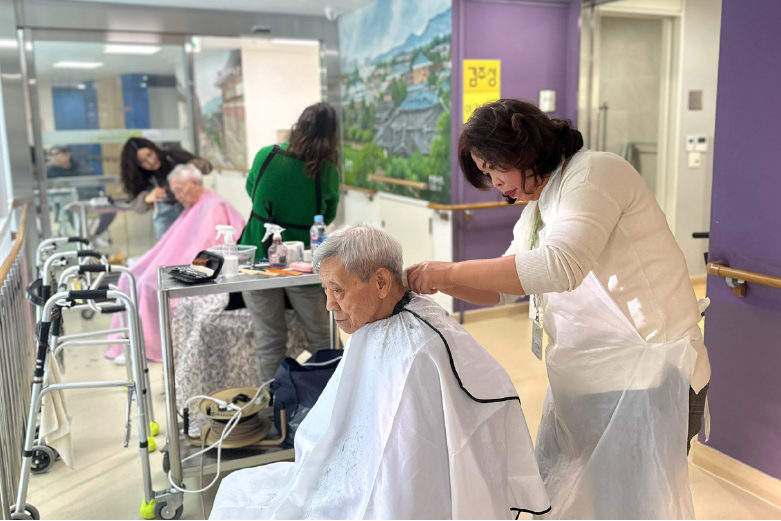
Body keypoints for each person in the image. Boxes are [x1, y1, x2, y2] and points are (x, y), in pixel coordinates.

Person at [406, 99, 710, 519]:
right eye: (486, 174)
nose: (495, 182)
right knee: (586, 502)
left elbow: (560, 266)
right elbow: (502, 289)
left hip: (654, 372)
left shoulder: (596, 173)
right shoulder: (537, 210)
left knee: (634, 506)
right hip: (593, 378)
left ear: (523, 147)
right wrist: (436, 282)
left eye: (495, 168)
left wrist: (447, 271)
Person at [209, 225, 550, 520]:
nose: (329, 305)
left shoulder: (420, 350)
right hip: (352, 476)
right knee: (238, 490)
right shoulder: (377, 321)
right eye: (325, 290)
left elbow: (404, 466)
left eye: (338, 290)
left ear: (382, 282)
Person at [240, 103, 341, 383]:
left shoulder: (267, 154)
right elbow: (328, 214)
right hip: (301, 263)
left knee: (269, 339)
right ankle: (327, 398)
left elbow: (251, 190)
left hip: (257, 257)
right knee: (322, 337)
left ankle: (273, 402)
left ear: (299, 126)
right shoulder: (327, 170)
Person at [106, 164, 244, 364]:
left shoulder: (214, 208)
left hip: (196, 267)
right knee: (130, 276)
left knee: (147, 284)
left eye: (179, 190)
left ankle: (146, 348)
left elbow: (207, 250)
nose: (177, 197)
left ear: (195, 183)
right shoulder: (195, 205)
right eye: (175, 192)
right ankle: (129, 342)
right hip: (177, 260)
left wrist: (180, 266)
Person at [119, 137, 213, 240]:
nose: (151, 161)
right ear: (137, 165)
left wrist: (192, 166)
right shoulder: (139, 177)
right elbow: (135, 206)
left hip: (194, 211)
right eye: (143, 161)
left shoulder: (173, 156)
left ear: (154, 149)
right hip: (167, 221)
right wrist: (147, 198)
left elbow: (207, 166)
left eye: (150, 154)